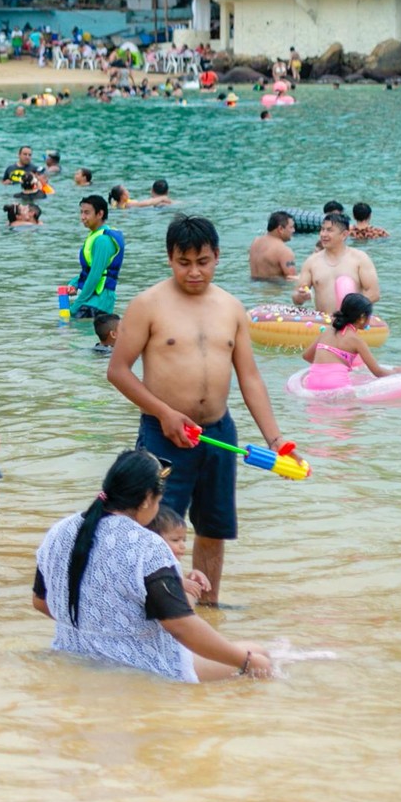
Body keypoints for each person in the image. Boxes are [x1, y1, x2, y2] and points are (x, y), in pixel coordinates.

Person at [108, 215, 289, 604]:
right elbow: (118, 371)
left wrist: (275, 440)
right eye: (184, 262)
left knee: (213, 528)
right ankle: (161, 614)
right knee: (157, 528)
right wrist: (164, 413)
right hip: (164, 435)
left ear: (217, 256)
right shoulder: (147, 305)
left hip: (219, 434)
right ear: (169, 258)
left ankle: (208, 609)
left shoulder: (232, 308)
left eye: (203, 262)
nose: (194, 272)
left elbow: (250, 378)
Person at [32, 450, 272, 682]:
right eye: (158, 501)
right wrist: (246, 661)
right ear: (147, 499)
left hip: (73, 654)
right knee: (259, 654)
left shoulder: (60, 530)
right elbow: (180, 625)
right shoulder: (147, 546)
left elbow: (40, 602)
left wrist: (92, 627)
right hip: (139, 667)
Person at [297, 294, 401, 395]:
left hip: (312, 385)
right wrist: (397, 371)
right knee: (357, 412)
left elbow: (306, 356)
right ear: (362, 318)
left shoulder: (327, 331)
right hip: (337, 386)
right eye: (369, 316)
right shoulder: (357, 341)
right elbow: (378, 372)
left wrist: (326, 367)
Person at [68, 194, 127, 348]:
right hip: (93, 299)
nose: (82, 217)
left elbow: (95, 275)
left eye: (87, 213)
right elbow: (89, 271)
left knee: (82, 344)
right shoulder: (95, 236)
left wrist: (76, 306)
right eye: (81, 212)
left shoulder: (103, 240)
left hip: (99, 302)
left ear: (100, 214)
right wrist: (74, 283)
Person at [292, 211, 379, 311]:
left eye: (329, 230)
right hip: (324, 319)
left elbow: (374, 294)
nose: (323, 234)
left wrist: (349, 311)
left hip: (350, 318)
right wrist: (300, 296)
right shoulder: (312, 261)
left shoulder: (360, 259)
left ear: (344, 235)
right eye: (322, 229)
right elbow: (296, 298)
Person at [249, 211, 298, 281]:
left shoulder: (255, 242)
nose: (294, 230)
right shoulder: (284, 251)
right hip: (274, 287)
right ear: (280, 229)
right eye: (291, 227)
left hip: (253, 286)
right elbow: (292, 279)